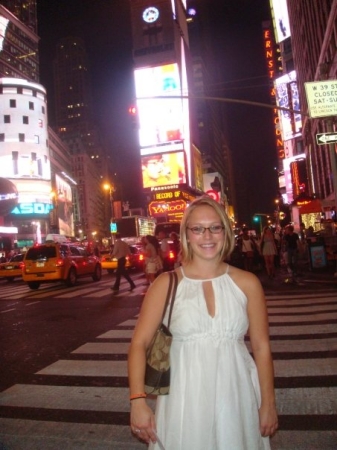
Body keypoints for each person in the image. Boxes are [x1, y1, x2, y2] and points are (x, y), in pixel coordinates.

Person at [128, 196, 278, 450]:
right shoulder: (166, 284)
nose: (207, 236)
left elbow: (261, 347)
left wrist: (268, 403)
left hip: (237, 392)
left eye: (214, 227)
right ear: (186, 234)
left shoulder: (248, 283)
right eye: (197, 229)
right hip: (184, 397)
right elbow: (138, 344)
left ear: (225, 231)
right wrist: (138, 402)